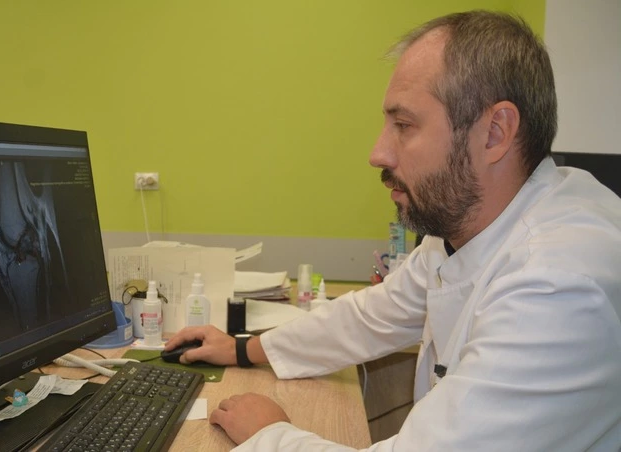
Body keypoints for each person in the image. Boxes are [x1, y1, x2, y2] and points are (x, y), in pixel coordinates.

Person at [165, 10, 621, 451]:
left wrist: (270, 436)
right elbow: (371, 316)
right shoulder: (467, 231)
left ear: (495, 133)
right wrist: (241, 349)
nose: (378, 153)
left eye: (404, 125)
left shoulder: (558, 288)